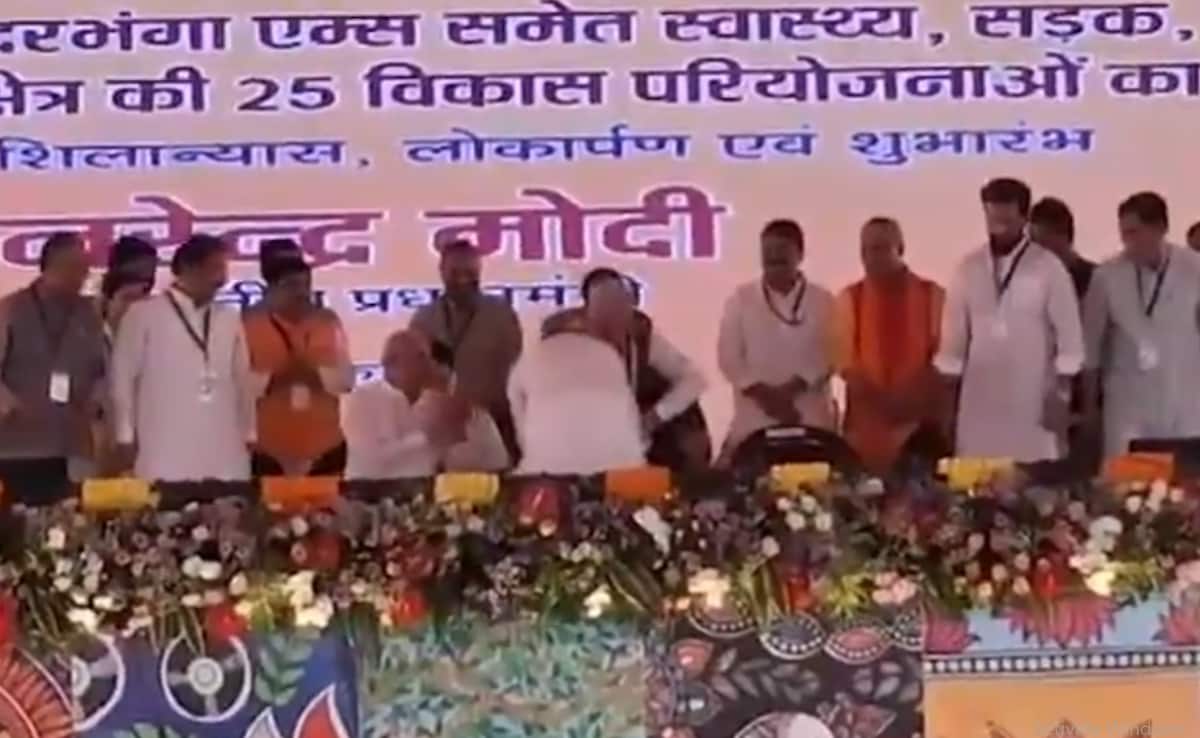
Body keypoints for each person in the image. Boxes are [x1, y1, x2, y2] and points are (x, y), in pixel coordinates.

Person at [935, 178, 1085, 461]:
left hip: (1032, 401)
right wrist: (947, 407)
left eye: (1006, 219)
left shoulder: (1048, 267)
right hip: (979, 403)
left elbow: (1070, 342)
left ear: (1024, 218)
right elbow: (952, 345)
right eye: (992, 218)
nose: (998, 227)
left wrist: (1060, 399)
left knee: (1032, 477)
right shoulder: (968, 268)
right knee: (975, 477)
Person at [111, 234, 257, 481]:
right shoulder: (144, 314)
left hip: (225, 449)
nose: (222, 279)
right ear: (190, 268)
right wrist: (124, 435)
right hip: (164, 449)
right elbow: (123, 378)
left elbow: (242, 379)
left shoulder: (229, 317)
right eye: (215, 268)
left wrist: (250, 432)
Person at [541, 268, 710, 471]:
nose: (616, 314)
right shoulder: (566, 342)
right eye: (606, 306)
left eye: (621, 302)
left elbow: (695, 379)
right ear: (587, 312)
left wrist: (656, 416)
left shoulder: (641, 335)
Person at [1082, 192, 1200, 458]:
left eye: (1134, 232)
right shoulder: (1107, 276)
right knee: (1125, 479)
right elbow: (1091, 349)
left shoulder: (1194, 268)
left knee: (1184, 479)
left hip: (1185, 402)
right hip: (1128, 407)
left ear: (1160, 228)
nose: (1128, 242)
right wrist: (1090, 409)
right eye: (1124, 233)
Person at [716, 219, 836, 463]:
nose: (773, 262)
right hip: (755, 419)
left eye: (781, 254)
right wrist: (767, 397)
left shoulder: (823, 300)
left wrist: (792, 390)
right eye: (767, 255)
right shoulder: (741, 299)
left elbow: (830, 353)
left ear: (800, 254)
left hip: (809, 416)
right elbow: (729, 358)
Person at [833, 217, 947, 474]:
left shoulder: (932, 295)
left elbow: (944, 357)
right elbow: (844, 362)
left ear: (901, 248)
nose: (871, 258)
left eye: (880, 248)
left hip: (921, 428)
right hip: (865, 428)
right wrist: (884, 403)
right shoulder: (850, 298)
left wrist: (910, 399)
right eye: (865, 250)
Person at [0, 232, 106, 503]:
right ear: (54, 266)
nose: (84, 276)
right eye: (78, 268)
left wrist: (96, 398)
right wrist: (7, 404)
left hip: (73, 444)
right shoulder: (10, 310)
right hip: (18, 446)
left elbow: (102, 369)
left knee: (68, 519)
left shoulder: (89, 313)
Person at [410, 239, 522, 462]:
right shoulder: (425, 318)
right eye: (455, 273)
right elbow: (416, 371)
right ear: (442, 272)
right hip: (440, 423)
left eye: (469, 273)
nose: (462, 279)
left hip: (495, 418)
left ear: (479, 271)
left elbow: (514, 364)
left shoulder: (500, 313)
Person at [343, 329, 508, 478]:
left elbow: (497, 463)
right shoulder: (364, 399)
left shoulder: (464, 410)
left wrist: (466, 427)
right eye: (387, 362)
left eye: (394, 360)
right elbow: (369, 466)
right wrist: (428, 439)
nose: (431, 367)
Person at [244, 257, 353, 477]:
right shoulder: (247, 325)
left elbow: (347, 380)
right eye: (292, 286)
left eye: (306, 285)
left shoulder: (328, 321)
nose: (301, 293)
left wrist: (315, 376)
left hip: (325, 447)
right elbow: (237, 383)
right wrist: (276, 379)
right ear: (270, 290)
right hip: (268, 449)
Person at [509, 304, 644, 474]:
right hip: (623, 471)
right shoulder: (610, 355)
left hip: (548, 471)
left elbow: (520, 428)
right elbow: (632, 419)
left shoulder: (528, 358)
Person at [1030, 197, 1095, 300]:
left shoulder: (1097, 280)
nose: (1034, 249)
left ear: (1063, 237)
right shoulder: (1028, 281)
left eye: (1042, 243)